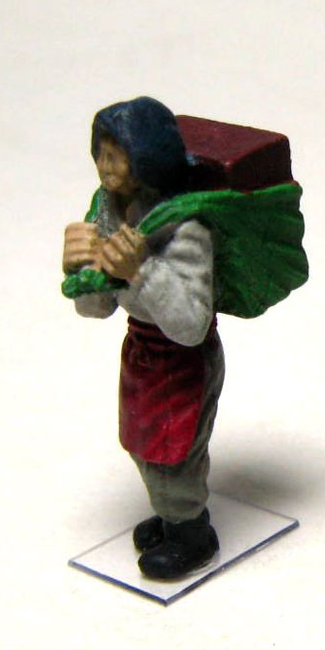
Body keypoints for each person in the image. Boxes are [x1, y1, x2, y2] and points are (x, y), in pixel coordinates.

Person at [62, 96, 223, 580]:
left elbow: (191, 324)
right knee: (143, 443)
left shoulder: (185, 226)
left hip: (182, 359)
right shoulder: (107, 212)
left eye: (118, 155)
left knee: (176, 451)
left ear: (146, 158)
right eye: (101, 153)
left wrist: (141, 270)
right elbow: (97, 308)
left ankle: (192, 532)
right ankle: (172, 516)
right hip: (141, 351)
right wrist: (81, 272)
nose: (105, 166)